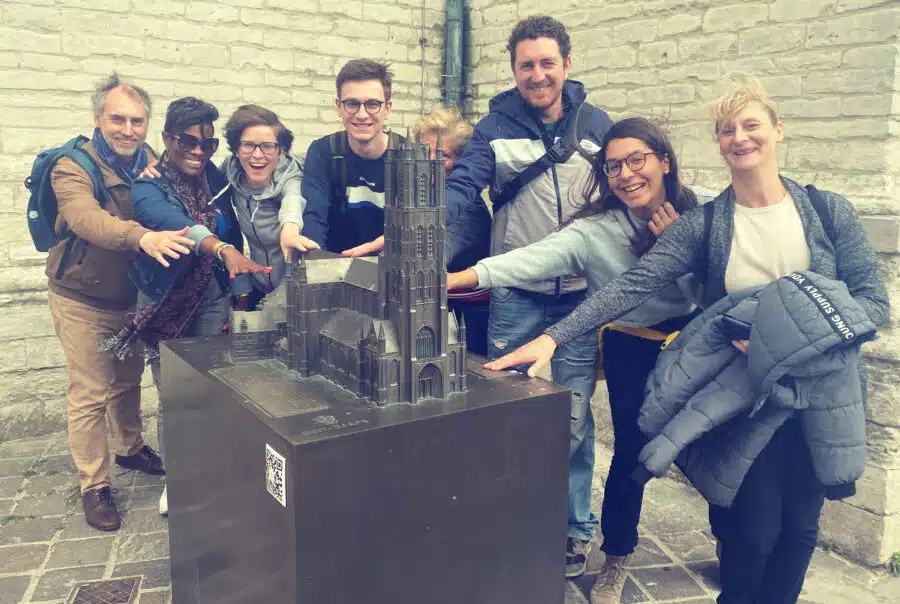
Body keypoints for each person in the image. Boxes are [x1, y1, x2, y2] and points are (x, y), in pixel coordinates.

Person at [485, 80, 889, 603]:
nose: (740, 137)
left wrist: (783, 337)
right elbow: (632, 285)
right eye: (727, 130)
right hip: (747, 394)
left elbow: (871, 304)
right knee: (753, 534)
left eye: (751, 125)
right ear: (719, 143)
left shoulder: (828, 211)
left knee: (800, 531)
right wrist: (552, 338)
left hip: (823, 393)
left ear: (777, 130)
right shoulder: (706, 225)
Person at [448, 118, 697, 603]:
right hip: (631, 341)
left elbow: (722, 277)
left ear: (664, 161)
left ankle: (731, 536)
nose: (626, 175)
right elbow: (532, 258)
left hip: (696, 337)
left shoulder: (701, 210)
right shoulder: (596, 231)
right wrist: (461, 278)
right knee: (632, 453)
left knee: (715, 439)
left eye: (637, 160)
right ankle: (617, 554)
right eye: (613, 167)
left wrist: (685, 245)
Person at [442, 15, 613, 577]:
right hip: (516, 293)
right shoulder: (493, 128)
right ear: (514, 70)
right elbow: (463, 186)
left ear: (567, 64)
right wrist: (423, 222)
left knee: (574, 418)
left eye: (547, 63)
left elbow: (624, 190)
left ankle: (573, 528)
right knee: (507, 413)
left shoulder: (597, 124)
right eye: (526, 65)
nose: (537, 75)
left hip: (579, 297)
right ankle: (507, 521)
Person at [100, 97, 269, 517]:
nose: (198, 152)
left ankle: (211, 470)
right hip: (166, 305)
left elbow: (239, 219)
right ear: (167, 139)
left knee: (210, 390)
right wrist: (222, 248)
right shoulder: (149, 185)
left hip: (212, 297)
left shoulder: (216, 178)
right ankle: (178, 481)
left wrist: (240, 289)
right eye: (187, 142)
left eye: (207, 145)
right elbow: (177, 224)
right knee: (175, 394)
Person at [46, 74, 195, 532]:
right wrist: (142, 236)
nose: (128, 129)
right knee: (90, 392)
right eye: (118, 119)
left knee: (128, 382)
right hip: (83, 298)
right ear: (98, 119)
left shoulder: (150, 161)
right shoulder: (72, 166)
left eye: (137, 121)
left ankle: (129, 449)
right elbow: (85, 219)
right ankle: (94, 485)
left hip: (132, 297)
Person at [301, 59, 401, 257]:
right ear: (339, 106)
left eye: (373, 104)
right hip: (336, 265)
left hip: (393, 267)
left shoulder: (409, 156)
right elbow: (314, 218)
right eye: (352, 104)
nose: (362, 114)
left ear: (387, 109)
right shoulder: (324, 152)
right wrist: (317, 264)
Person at [222, 104, 318, 309]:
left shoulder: (292, 177)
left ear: (280, 150)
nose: (257, 155)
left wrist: (290, 231)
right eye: (248, 145)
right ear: (236, 148)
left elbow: (293, 201)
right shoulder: (229, 170)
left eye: (268, 146)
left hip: (293, 291)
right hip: (257, 284)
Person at [412, 107, 489, 356]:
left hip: (470, 314)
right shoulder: (422, 197)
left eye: (442, 154)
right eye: (424, 152)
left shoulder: (468, 207)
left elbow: (439, 247)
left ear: (462, 161)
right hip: (439, 306)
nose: (430, 161)